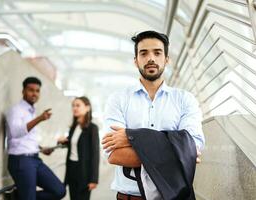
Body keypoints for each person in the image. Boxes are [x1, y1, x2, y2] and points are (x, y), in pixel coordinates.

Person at [101, 31, 205, 200]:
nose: (151, 58)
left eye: (157, 53)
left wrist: (132, 137)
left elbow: (192, 147)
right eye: (144, 53)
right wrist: (175, 150)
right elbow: (113, 154)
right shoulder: (118, 99)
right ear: (136, 61)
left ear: (166, 59)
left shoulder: (185, 99)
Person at [6, 76, 66, 200]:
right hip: (21, 160)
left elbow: (26, 140)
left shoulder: (30, 111)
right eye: (31, 90)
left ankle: (17, 196)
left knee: (59, 190)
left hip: (35, 159)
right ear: (23, 91)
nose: (34, 93)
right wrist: (39, 119)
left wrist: (41, 148)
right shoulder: (16, 110)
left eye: (37, 91)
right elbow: (16, 132)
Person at [58, 96, 100, 200]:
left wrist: (94, 179)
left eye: (78, 105)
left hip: (84, 172)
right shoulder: (74, 127)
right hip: (71, 170)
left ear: (87, 108)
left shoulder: (92, 128)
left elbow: (95, 154)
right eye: (73, 105)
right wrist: (62, 141)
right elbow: (75, 144)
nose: (74, 108)